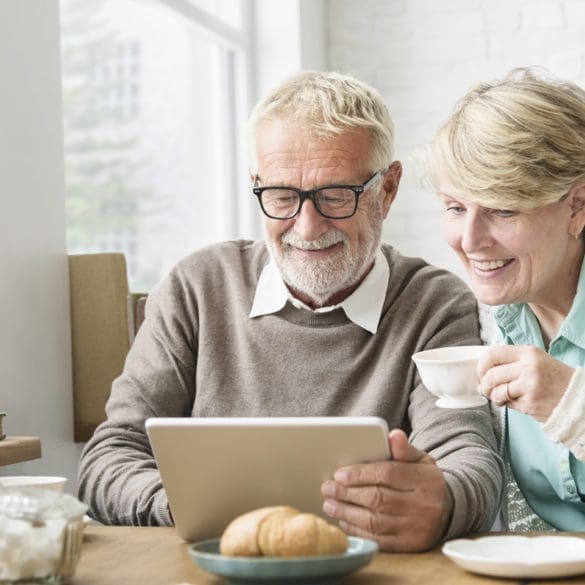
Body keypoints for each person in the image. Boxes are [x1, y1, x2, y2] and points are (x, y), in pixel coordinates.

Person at [78, 70, 503, 552]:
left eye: (336, 196)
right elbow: (108, 459)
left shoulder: (435, 303)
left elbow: (468, 460)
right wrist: (191, 508)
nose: (306, 226)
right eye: (282, 196)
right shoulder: (196, 287)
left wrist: (443, 503)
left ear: (387, 190)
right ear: (257, 185)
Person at [427, 67, 585, 531]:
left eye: (501, 208)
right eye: (456, 208)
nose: (470, 240)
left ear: (577, 207)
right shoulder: (480, 320)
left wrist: (571, 404)